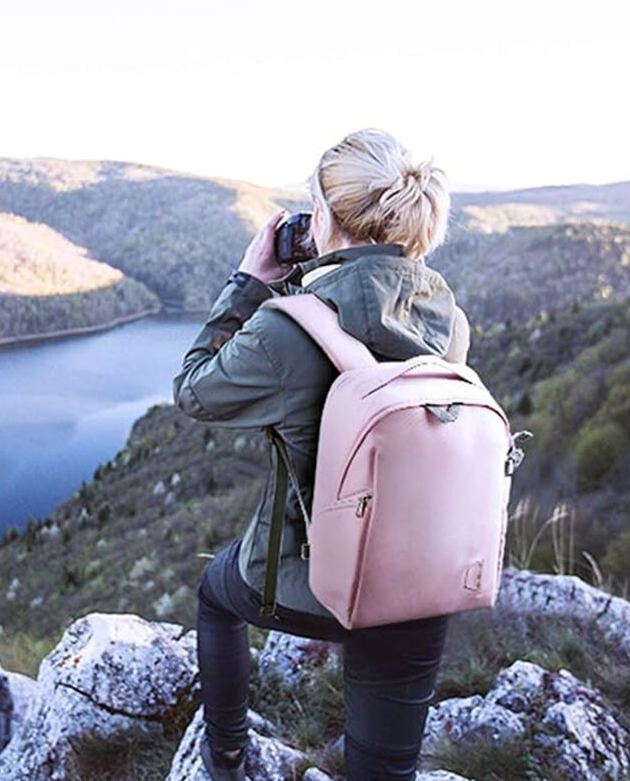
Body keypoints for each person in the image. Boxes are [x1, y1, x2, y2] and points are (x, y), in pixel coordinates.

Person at [172, 128, 470, 781]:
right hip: (426, 578)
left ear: (327, 217)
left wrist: (249, 284)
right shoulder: (448, 317)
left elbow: (194, 391)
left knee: (216, 595)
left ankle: (225, 756)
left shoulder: (290, 326)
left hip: (316, 585)